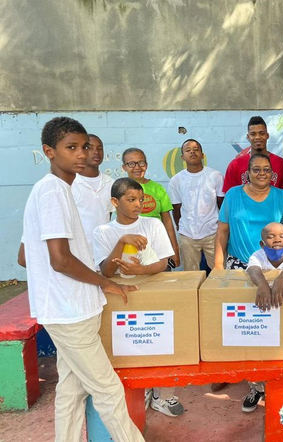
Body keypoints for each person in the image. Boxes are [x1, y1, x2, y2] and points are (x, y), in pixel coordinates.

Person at [17, 117, 143, 442]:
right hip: (69, 312)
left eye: (84, 146)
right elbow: (59, 260)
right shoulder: (51, 192)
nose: (82, 154)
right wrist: (104, 281)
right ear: (49, 151)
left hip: (73, 309)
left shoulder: (61, 190)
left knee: (71, 392)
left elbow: (25, 254)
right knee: (108, 390)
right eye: (71, 147)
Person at [92, 177, 184, 417]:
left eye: (141, 200)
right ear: (114, 202)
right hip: (121, 298)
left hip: (153, 292)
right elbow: (106, 271)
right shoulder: (103, 231)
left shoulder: (152, 226)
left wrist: (141, 271)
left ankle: (163, 395)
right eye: (131, 199)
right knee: (133, 345)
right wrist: (122, 241)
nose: (138, 204)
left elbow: (164, 262)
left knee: (160, 340)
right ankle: (140, 390)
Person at [214, 153, 283, 408]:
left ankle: (272, 381)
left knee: (271, 327)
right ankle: (255, 386)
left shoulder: (281, 197)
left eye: (266, 170)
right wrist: (217, 266)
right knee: (247, 328)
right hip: (239, 267)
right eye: (256, 169)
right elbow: (222, 232)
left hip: (273, 267)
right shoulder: (234, 195)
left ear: (272, 173)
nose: (261, 173)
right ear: (247, 173)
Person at [244, 223, 283, 412]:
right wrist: (262, 284)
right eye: (271, 237)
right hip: (260, 317)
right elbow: (253, 269)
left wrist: (279, 280)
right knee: (257, 351)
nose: (277, 240)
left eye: (281, 236)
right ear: (262, 243)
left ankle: (278, 389)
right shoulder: (257, 255)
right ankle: (256, 388)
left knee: (282, 354)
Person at [168, 138, 224, 271]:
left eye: (196, 150)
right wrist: (181, 227)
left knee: (220, 273)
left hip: (213, 233)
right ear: (182, 156)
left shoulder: (215, 175)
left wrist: (220, 228)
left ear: (202, 154)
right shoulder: (176, 180)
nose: (192, 153)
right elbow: (176, 208)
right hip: (188, 235)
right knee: (190, 276)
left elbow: (221, 204)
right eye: (188, 150)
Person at [122, 147, 180, 267]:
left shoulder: (157, 188)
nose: (137, 167)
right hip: (130, 249)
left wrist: (174, 250)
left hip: (157, 249)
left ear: (146, 165)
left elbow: (168, 222)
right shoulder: (119, 189)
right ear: (124, 167)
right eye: (131, 163)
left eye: (141, 162)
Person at [222, 116, 283, 193]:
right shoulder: (235, 165)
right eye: (253, 134)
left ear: (267, 135)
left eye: (262, 133)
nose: (257, 137)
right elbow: (230, 197)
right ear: (248, 137)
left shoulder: (281, 164)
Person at [71, 134, 115, 247]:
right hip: (78, 251)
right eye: (89, 148)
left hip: (103, 250)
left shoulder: (110, 183)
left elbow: (108, 216)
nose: (96, 152)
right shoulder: (70, 183)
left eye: (100, 148)